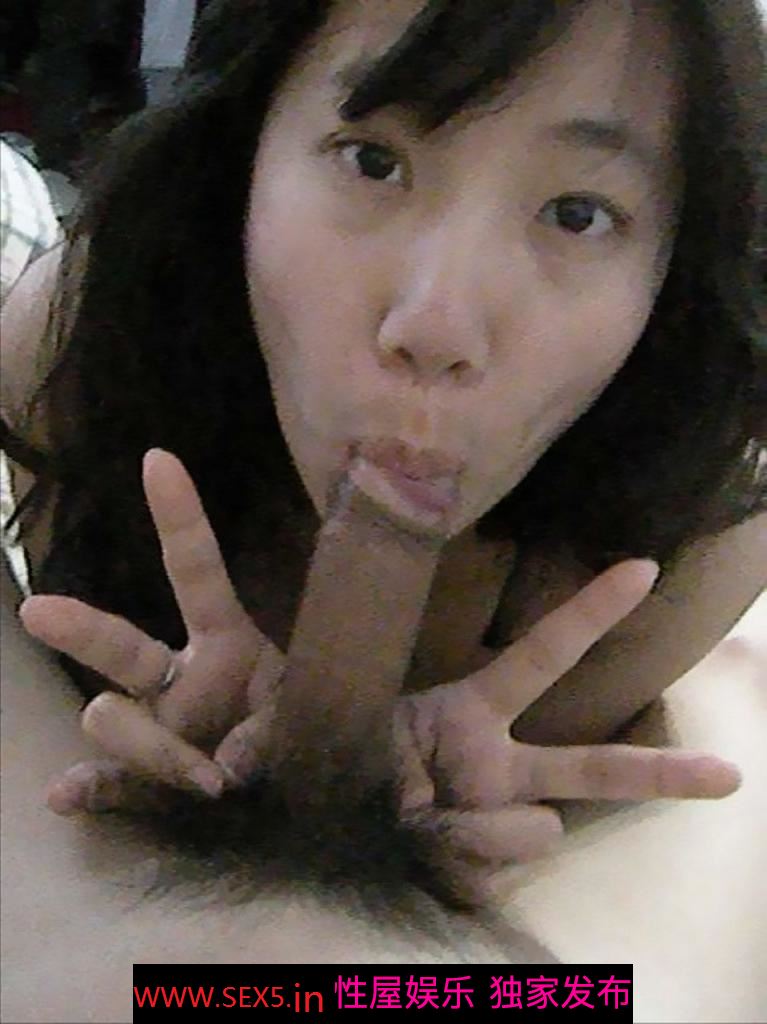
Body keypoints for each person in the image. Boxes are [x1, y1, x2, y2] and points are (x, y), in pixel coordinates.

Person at [1, 0, 765, 885]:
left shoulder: (692, 537)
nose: (436, 326)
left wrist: (379, 829)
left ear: (672, 266)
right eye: (372, 161)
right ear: (243, 147)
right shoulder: (83, 360)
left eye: (576, 213)